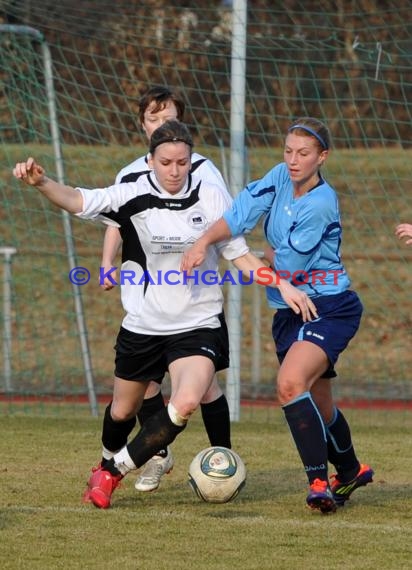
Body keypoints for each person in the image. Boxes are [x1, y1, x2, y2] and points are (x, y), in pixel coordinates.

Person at [13, 120, 317, 509]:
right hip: (144, 324)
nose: (175, 171)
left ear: (191, 161)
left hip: (197, 324)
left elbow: (240, 256)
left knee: (186, 401)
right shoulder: (132, 191)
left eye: (182, 162)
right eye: (166, 162)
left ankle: (112, 474)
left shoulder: (210, 197)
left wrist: (282, 285)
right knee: (123, 410)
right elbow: (78, 200)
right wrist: (42, 183)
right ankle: (106, 462)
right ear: (151, 160)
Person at [181, 117, 374, 513]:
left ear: (322, 157)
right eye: (288, 151)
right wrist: (204, 241)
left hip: (328, 308)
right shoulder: (279, 176)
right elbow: (237, 216)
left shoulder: (321, 203)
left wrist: (252, 254)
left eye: (303, 153)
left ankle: (318, 482)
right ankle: (351, 469)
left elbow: (285, 267)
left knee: (288, 384)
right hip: (289, 312)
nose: (292, 160)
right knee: (318, 404)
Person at [101, 86, 236, 493]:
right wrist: (107, 262)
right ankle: (156, 456)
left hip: (194, 301)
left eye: (170, 117)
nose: (162, 125)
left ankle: (224, 461)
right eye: (154, 119)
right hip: (146, 300)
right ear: (142, 125)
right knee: (145, 388)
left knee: (203, 386)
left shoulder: (204, 171)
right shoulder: (129, 174)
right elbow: (114, 219)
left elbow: (223, 223)